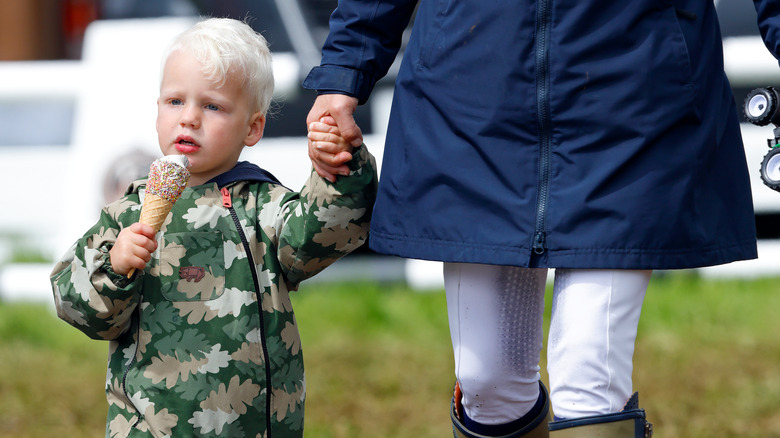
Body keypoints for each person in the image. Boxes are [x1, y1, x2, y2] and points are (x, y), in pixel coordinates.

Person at [303, 1, 778, 437]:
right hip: (470, 103)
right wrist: (346, 68)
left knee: (589, 380)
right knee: (486, 382)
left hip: (634, 102)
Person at [50, 18, 377, 437]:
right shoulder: (129, 212)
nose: (189, 118)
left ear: (253, 127)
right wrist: (114, 267)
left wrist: (339, 168)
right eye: (174, 101)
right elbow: (79, 307)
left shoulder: (264, 206)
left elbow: (322, 235)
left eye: (213, 106)